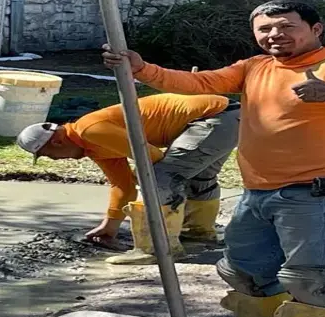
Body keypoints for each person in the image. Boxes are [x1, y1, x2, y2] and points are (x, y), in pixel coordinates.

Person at [102, 0, 325, 317]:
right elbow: (199, 83)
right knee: (245, 274)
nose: (275, 34)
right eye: (265, 29)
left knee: (312, 280)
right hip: (259, 193)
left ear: (316, 29)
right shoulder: (256, 66)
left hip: (321, 195)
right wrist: (142, 69)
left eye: (287, 27)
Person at [16, 93, 239, 265]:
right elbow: (122, 186)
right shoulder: (91, 145)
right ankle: (198, 233)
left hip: (213, 117)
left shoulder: (88, 130)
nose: (54, 160)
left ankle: (155, 249)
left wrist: (141, 176)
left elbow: (152, 157)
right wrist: (109, 226)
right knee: (199, 177)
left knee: (158, 175)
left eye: (47, 155)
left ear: (55, 142)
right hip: (227, 116)